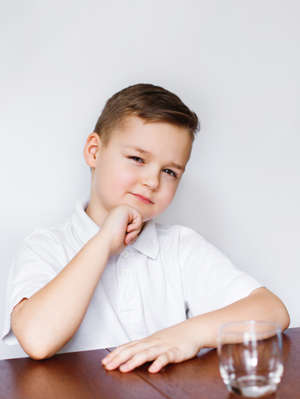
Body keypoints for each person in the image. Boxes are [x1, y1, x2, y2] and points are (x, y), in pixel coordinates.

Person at [1, 83, 290, 373]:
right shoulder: (46, 246)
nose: (153, 181)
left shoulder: (179, 246)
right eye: (138, 159)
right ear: (94, 151)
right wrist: (103, 242)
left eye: (169, 171)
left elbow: (272, 311)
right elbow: (37, 340)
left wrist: (184, 335)